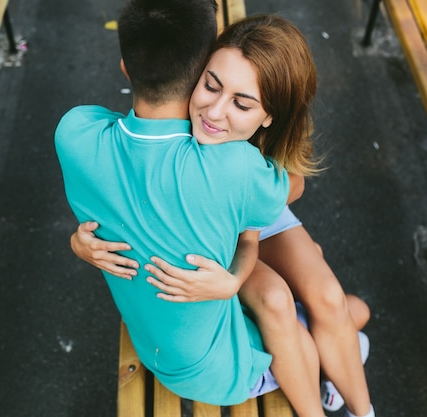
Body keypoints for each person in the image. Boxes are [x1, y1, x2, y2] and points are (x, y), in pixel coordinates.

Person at [69, 12, 376, 417]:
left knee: (331, 299)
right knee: (277, 297)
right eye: (210, 85)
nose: (213, 112)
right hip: (221, 218)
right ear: (196, 71)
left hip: (251, 212)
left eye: (241, 102)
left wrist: (243, 257)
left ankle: (363, 409)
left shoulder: (254, 160)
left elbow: (284, 194)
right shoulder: (175, 116)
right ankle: (332, 357)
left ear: (269, 116)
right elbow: (127, 183)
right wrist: (80, 239)